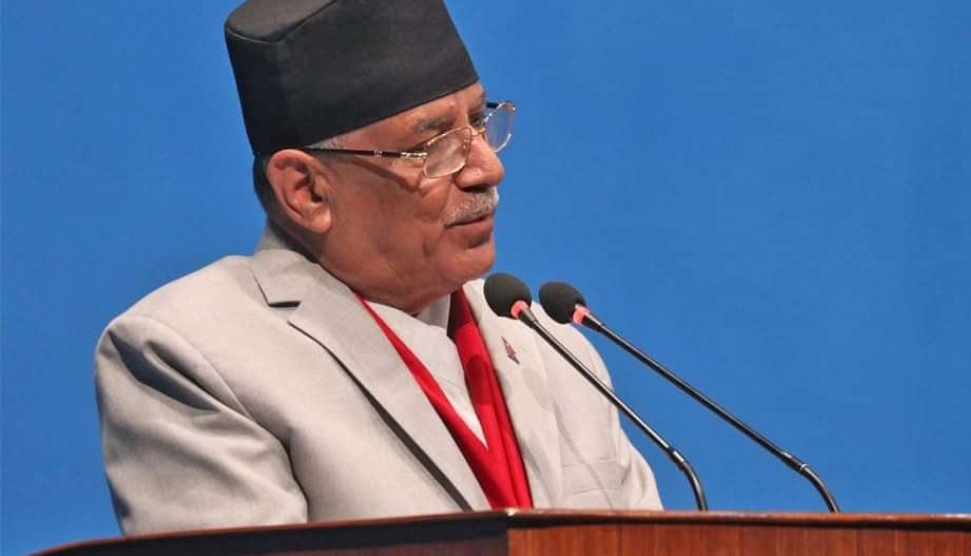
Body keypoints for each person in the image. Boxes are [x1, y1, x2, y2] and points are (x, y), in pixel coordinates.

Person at [94, 0, 661, 535]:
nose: (487, 168)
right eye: (435, 146)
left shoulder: (550, 345)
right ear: (307, 192)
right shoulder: (195, 355)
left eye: (479, 122)